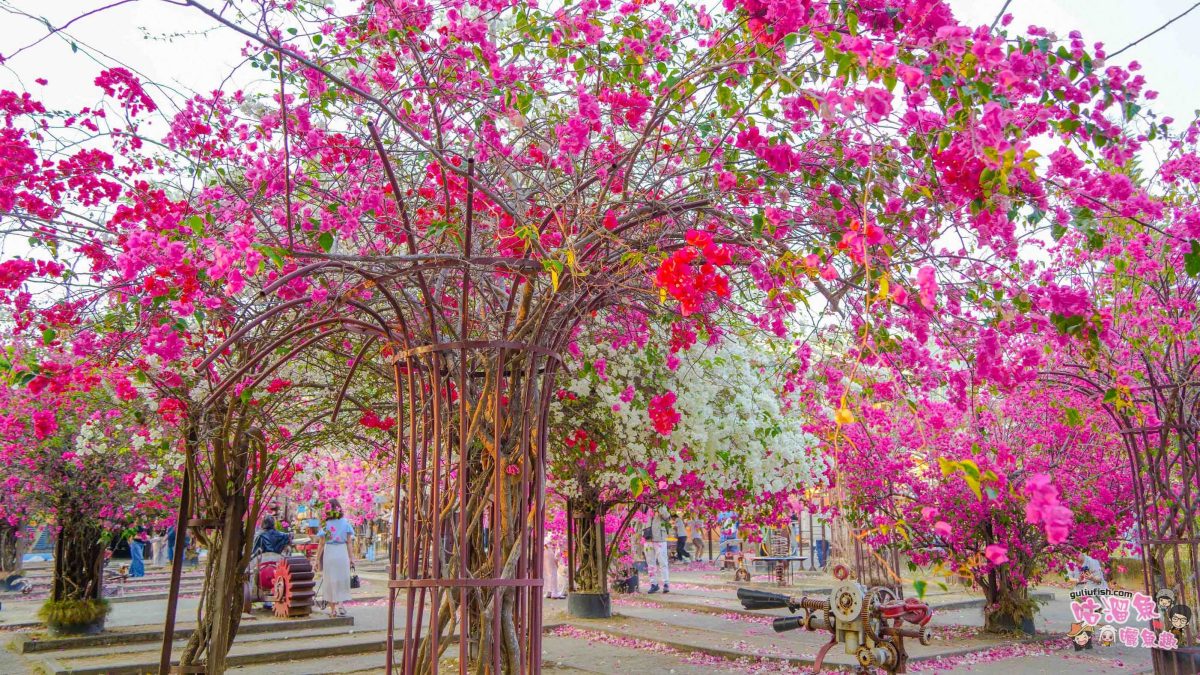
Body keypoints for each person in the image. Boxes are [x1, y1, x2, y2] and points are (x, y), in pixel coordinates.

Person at [316, 499, 355, 618]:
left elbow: (321, 543)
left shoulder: (325, 524)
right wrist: (351, 558)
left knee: (330, 580)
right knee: (342, 579)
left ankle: (332, 609)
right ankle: (341, 605)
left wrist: (317, 559)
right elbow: (349, 542)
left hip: (330, 552)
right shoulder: (345, 523)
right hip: (342, 552)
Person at [642, 507, 670, 594]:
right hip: (648, 538)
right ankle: (654, 584)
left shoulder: (661, 505)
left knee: (663, 562)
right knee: (650, 563)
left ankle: (666, 583)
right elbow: (641, 518)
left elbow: (667, 517)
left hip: (660, 538)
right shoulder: (645, 505)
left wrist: (659, 507)